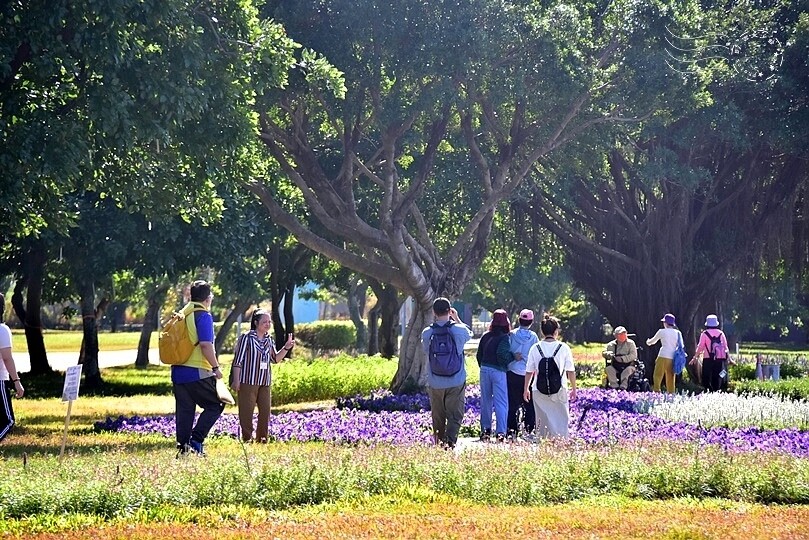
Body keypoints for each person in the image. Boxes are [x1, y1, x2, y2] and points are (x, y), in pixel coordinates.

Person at [172, 280, 225, 456]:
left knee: (185, 411)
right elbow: (205, 345)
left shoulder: (182, 313)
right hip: (197, 371)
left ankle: (183, 449)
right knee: (216, 404)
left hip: (178, 370)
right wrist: (216, 367)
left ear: (191, 296)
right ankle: (196, 440)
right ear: (208, 298)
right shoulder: (203, 315)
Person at [230, 309, 294, 442]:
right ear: (256, 322)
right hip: (248, 380)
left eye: (269, 322)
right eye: (264, 322)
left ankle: (262, 438)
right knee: (246, 412)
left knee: (265, 411)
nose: (267, 324)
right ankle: (247, 438)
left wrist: (286, 347)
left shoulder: (269, 340)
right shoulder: (246, 338)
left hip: (264, 381)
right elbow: (237, 361)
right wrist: (236, 380)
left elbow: (275, 359)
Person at [421, 297, 473, 448]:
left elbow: (427, 352)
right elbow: (469, 334)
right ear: (449, 311)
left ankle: (438, 442)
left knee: (438, 416)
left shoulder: (427, 333)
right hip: (456, 380)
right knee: (455, 415)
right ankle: (450, 443)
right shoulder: (458, 330)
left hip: (435, 381)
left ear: (433, 312)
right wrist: (456, 318)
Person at [523, 314, 576, 438]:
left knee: (542, 422)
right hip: (560, 389)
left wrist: (526, 389)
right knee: (561, 420)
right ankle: (560, 444)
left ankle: (544, 446)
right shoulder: (563, 348)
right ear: (556, 331)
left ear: (542, 331)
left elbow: (529, 371)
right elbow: (570, 370)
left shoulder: (535, 348)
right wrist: (574, 388)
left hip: (538, 389)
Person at [475, 309, 512, 442]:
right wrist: (512, 357)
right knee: (501, 402)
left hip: (484, 369)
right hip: (498, 371)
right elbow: (502, 355)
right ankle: (500, 433)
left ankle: (485, 430)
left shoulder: (485, 336)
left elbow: (479, 355)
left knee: (486, 401)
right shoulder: (504, 338)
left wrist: (483, 366)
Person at [507, 309, 538, 439]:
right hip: (528, 374)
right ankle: (529, 429)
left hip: (513, 372)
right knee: (529, 404)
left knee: (512, 404)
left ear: (519, 320)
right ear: (531, 322)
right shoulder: (534, 337)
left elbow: (507, 351)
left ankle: (512, 430)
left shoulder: (512, 335)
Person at [0, 293, 24, 442]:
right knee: (8, 421)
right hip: (0, 381)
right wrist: (16, 381)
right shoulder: (2, 330)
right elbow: (7, 358)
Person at [690, 314, 731, 392]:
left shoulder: (704, 334)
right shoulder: (721, 333)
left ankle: (709, 391)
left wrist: (695, 357)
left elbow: (700, 346)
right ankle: (716, 391)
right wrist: (729, 358)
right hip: (719, 358)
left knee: (706, 376)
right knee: (717, 376)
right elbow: (725, 346)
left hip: (708, 358)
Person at [646, 313, 682, 394]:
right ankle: (671, 393)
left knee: (657, 375)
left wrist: (647, 341)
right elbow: (681, 345)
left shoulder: (661, 331)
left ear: (665, 323)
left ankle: (657, 391)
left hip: (662, 355)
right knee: (671, 376)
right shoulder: (677, 333)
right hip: (672, 356)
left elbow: (652, 342)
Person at [603, 326, 638, 390]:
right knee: (609, 369)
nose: (623, 335)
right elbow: (604, 352)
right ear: (616, 336)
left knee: (627, 371)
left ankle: (623, 388)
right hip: (615, 365)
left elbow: (633, 355)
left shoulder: (631, 343)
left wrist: (622, 359)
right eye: (620, 334)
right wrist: (609, 355)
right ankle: (614, 387)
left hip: (628, 365)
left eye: (624, 333)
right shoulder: (611, 344)